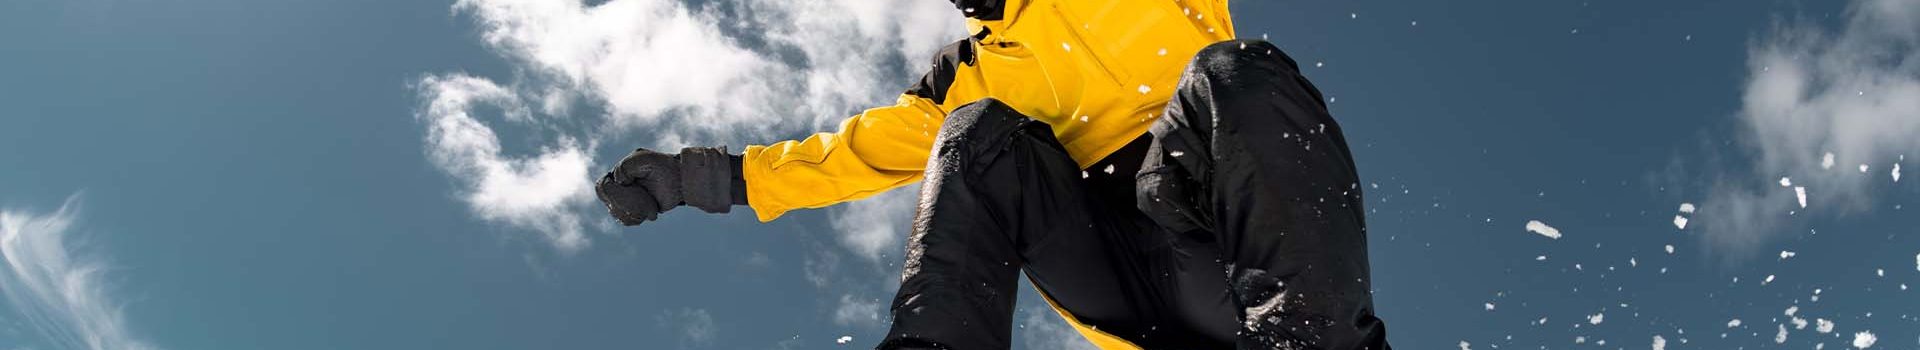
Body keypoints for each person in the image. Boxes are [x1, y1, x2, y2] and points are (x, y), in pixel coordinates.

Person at [592, 0, 1390, 348]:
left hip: (1219, 236)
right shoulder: (965, 73)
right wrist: (706, 178)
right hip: (1111, 275)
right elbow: (853, 154)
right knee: (975, 137)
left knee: (1235, 72)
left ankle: (1307, 343)